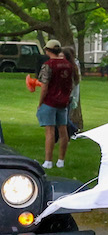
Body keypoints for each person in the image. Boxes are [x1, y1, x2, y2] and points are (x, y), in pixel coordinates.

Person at [35, 40, 78, 169]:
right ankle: (61, 161)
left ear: (48, 50)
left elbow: (44, 87)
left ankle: (48, 161)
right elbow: (71, 83)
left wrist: (40, 102)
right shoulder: (69, 65)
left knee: (50, 132)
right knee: (63, 130)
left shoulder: (48, 65)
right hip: (63, 102)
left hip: (50, 101)